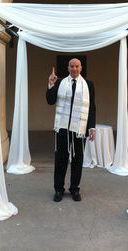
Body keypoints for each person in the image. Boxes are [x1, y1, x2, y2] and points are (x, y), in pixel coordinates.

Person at [46, 58, 96, 202]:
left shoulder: (88, 84)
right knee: (60, 159)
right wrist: (51, 84)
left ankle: (74, 189)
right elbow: (50, 101)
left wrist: (91, 127)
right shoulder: (60, 82)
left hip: (79, 128)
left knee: (77, 159)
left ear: (81, 68)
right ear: (68, 68)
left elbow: (92, 107)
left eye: (77, 66)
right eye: (71, 66)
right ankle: (59, 189)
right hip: (62, 127)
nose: (74, 69)